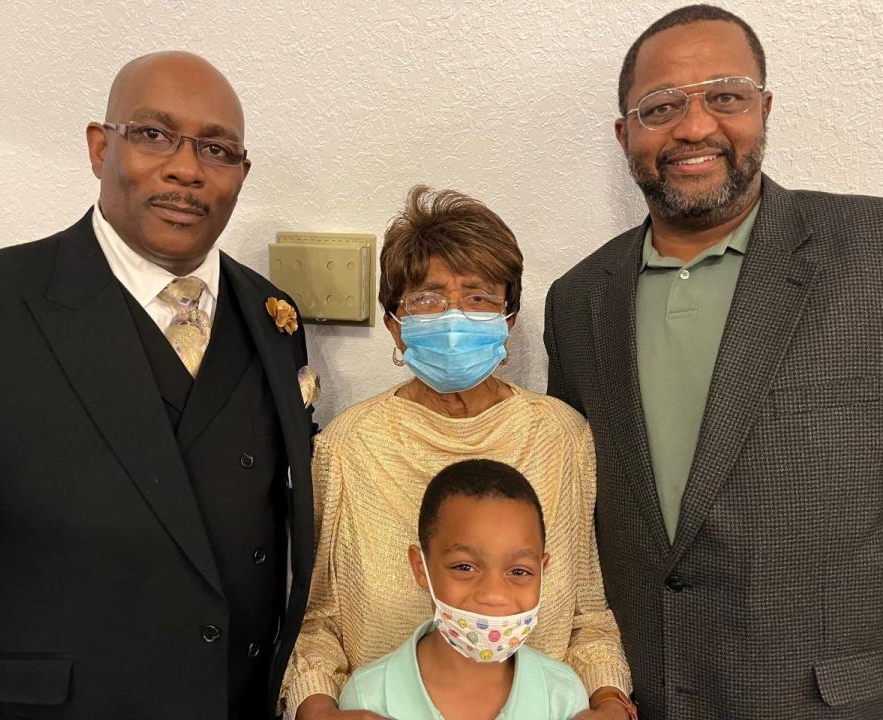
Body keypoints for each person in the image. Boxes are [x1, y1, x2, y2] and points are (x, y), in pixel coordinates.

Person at [0, 52, 315, 719]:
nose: (186, 169)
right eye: (153, 135)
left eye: (216, 149)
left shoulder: (273, 316)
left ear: (241, 174)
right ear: (100, 146)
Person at [544, 5, 883, 718]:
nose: (695, 127)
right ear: (624, 134)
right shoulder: (576, 303)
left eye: (725, 96)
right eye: (660, 106)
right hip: (642, 698)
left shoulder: (870, 251)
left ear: (764, 107)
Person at [282, 185, 634, 720]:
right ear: (395, 326)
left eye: (478, 297)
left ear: (509, 318)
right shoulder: (347, 447)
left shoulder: (561, 438)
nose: (452, 319)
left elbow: (589, 613)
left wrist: (609, 700)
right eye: (426, 298)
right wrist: (318, 707)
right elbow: (316, 619)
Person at [339, 459, 591, 719]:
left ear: (542, 569)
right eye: (464, 567)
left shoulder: (563, 697)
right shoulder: (367, 698)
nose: (494, 595)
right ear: (420, 568)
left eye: (519, 571)